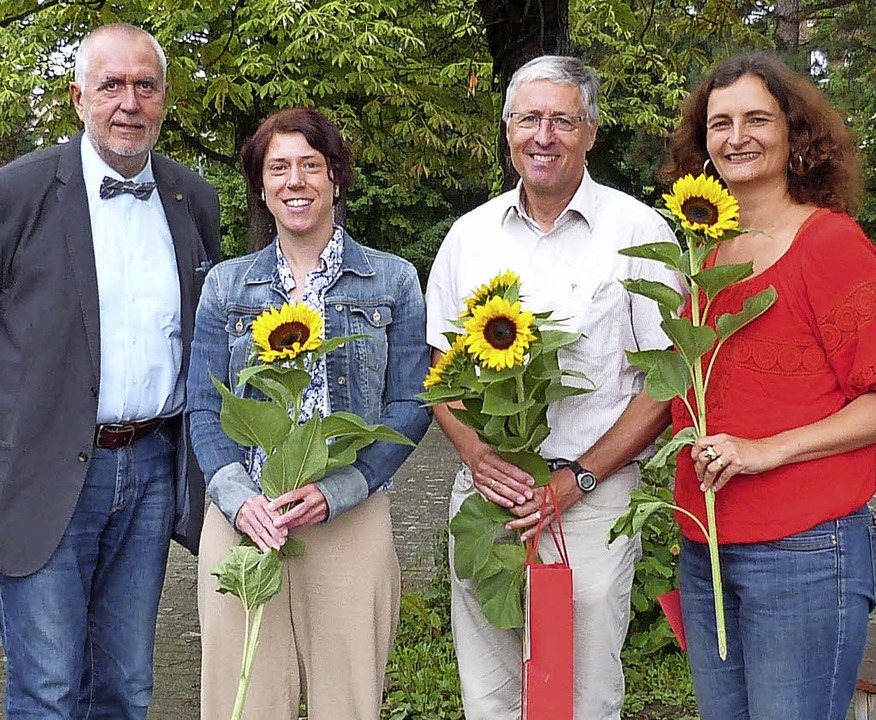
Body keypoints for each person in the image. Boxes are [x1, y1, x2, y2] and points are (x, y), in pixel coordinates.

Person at [425, 55, 684, 720]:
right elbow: (442, 371)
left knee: (582, 694)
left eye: (563, 120)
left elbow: (666, 382)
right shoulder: (468, 237)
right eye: (529, 118)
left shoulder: (639, 233)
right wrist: (474, 454)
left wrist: (579, 480)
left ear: (591, 132)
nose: (544, 135)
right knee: (490, 695)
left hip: (590, 501)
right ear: (507, 128)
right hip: (490, 500)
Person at [0, 22, 220, 720]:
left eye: (145, 86)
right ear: (77, 98)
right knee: (51, 691)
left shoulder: (194, 198)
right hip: (41, 473)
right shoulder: (16, 194)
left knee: (127, 688)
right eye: (111, 85)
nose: (129, 101)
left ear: (164, 99)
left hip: (153, 469)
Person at [186, 106, 431, 720]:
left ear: (336, 178)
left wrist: (340, 489)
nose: (295, 181)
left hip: (347, 518)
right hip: (247, 518)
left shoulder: (393, 281)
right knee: (242, 702)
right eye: (278, 168)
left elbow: (409, 405)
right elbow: (203, 408)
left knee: (346, 701)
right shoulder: (224, 286)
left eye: (310, 166)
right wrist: (237, 498)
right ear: (262, 186)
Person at [663, 52, 876, 720]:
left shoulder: (830, 244)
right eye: (720, 123)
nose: (737, 137)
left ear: (794, 134)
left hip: (804, 549)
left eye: (757, 119)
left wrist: (768, 449)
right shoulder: (703, 253)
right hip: (708, 547)